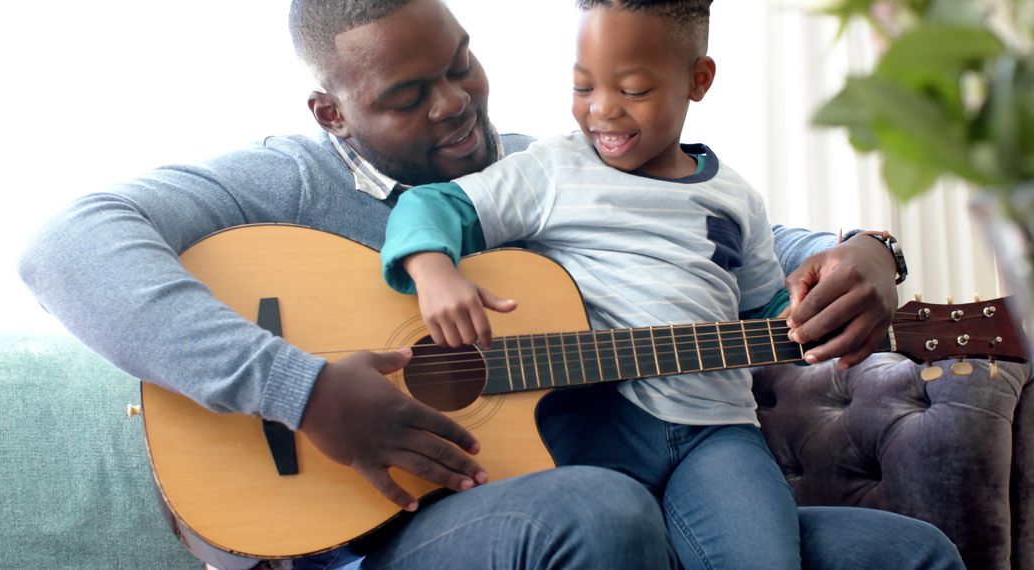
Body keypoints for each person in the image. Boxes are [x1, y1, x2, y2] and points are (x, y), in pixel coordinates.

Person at [17, 0, 958, 568]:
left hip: (606, 470)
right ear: (330, 111)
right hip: (361, 534)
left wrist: (868, 246)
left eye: (459, 59)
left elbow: (720, 236)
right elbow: (65, 246)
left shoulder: (537, 165)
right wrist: (301, 392)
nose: (455, 99)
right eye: (406, 93)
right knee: (600, 508)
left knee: (905, 554)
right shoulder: (289, 181)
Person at [377, 1, 956, 568]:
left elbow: (766, 306)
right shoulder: (550, 169)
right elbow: (435, 205)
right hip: (593, 427)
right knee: (605, 526)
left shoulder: (735, 198)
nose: (603, 110)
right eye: (583, 87)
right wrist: (433, 270)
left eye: (633, 91)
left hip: (720, 436)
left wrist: (823, 316)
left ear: (697, 80)